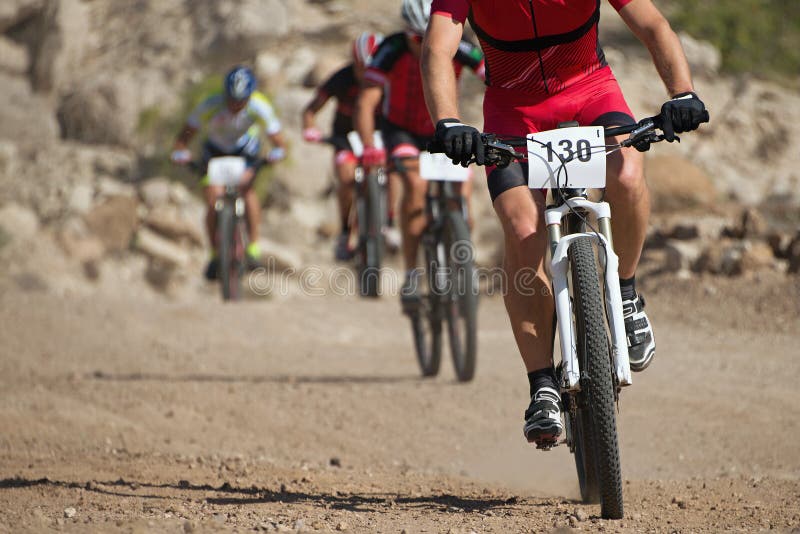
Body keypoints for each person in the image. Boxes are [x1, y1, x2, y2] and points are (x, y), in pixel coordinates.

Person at [422, 0, 709, 445]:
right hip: (513, 111)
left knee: (628, 174)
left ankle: (627, 295)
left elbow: (652, 24)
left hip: (590, 91)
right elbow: (438, 48)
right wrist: (448, 122)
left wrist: (682, 92)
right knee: (523, 229)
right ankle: (541, 385)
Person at [355, 0, 484, 310]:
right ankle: (412, 272)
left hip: (442, 129)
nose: (424, 45)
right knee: (415, 186)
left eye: (428, 37)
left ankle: (461, 256)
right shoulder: (391, 48)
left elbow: (495, 77)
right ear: (407, 34)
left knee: (462, 194)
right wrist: (370, 145)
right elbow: (365, 103)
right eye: (417, 39)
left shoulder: (461, 45)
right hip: (401, 130)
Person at [172, 66, 288, 280]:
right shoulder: (210, 104)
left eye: (240, 100)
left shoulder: (259, 106)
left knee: (247, 190)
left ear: (250, 96)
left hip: (246, 153)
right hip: (215, 152)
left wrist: (276, 153)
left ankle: (253, 247)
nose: (235, 105)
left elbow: (278, 140)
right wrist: (180, 151)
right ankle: (215, 254)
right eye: (231, 100)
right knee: (212, 199)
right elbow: (186, 133)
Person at [302, 32, 386, 261]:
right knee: (346, 175)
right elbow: (311, 109)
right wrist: (310, 128)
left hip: (380, 135)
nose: (368, 76)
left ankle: (388, 221)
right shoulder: (341, 78)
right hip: (345, 138)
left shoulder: (389, 78)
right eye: (362, 69)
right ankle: (345, 231)